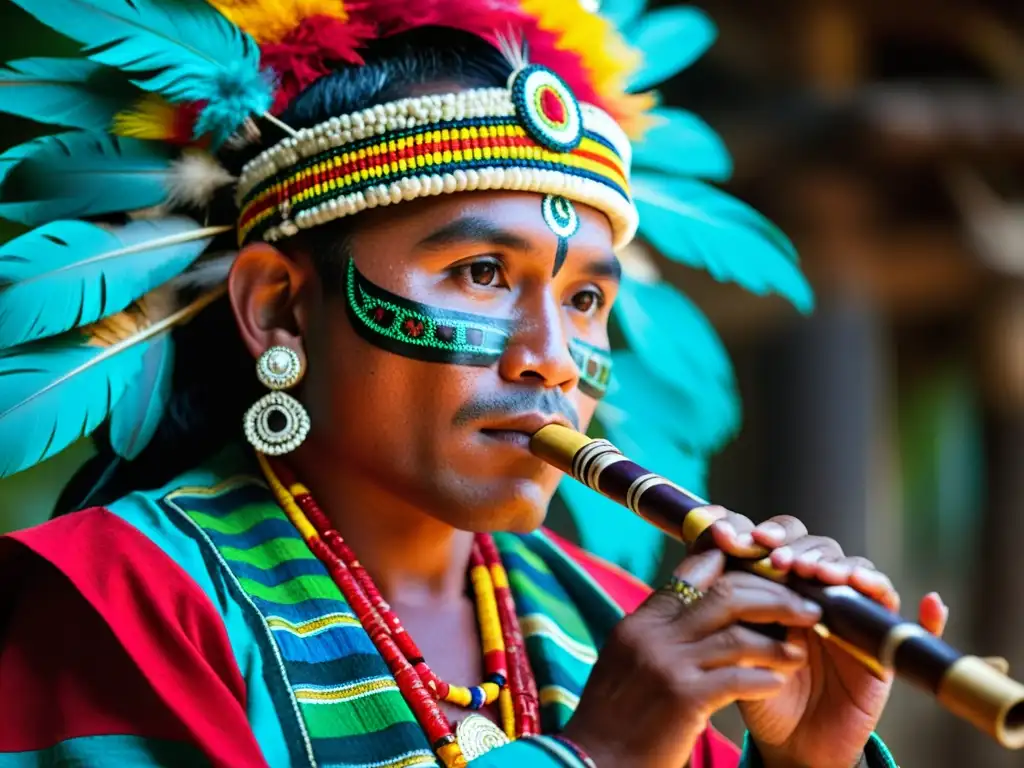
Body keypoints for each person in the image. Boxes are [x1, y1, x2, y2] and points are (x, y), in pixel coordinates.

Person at [0, 2, 947, 766]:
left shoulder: (621, 622)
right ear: (282, 307)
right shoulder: (119, 602)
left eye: (583, 300)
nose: (552, 356)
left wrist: (806, 764)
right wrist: (599, 755)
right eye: (482, 274)